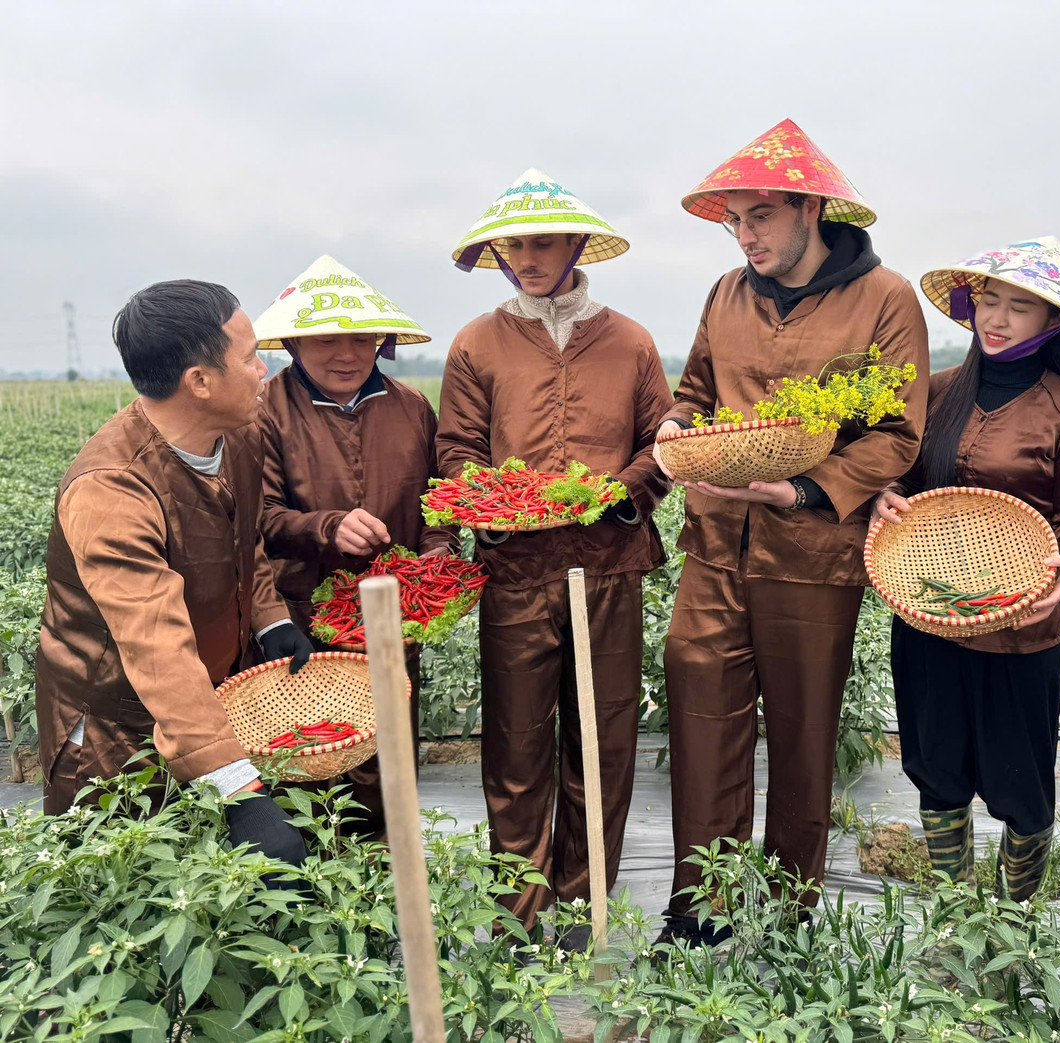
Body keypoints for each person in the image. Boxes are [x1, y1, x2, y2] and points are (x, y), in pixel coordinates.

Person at [655, 119, 930, 944]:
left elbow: (896, 433)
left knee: (804, 729)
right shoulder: (725, 292)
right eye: (735, 219)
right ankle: (702, 901)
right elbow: (695, 389)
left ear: (811, 208)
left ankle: (784, 905)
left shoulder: (885, 299)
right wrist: (675, 424)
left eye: (761, 216)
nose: (745, 236)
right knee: (699, 699)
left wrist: (809, 485)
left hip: (812, 552)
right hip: (715, 538)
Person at [437, 169, 673, 944]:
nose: (529, 257)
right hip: (517, 572)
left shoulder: (631, 340)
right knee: (516, 740)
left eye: (544, 242)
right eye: (515, 245)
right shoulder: (477, 343)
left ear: (577, 245)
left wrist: (620, 492)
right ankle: (518, 907)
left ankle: (585, 902)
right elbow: (458, 451)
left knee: (602, 737)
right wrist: (497, 505)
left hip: (609, 566)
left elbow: (662, 445)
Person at [35, 279, 312, 878]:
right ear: (201, 382)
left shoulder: (239, 434)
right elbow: (155, 646)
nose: (264, 368)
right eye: (248, 356)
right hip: (116, 725)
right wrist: (239, 788)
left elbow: (245, 543)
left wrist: (271, 618)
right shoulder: (111, 490)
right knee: (127, 893)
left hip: (203, 701)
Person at [875, 237, 1060, 902]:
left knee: (1023, 792)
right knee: (937, 774)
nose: (997, 318)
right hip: (931, 618)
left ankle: (1013, 923)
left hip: (1022, 631)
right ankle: (953, 919)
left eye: (1020, 307)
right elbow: (896, 476)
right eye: (989, 300)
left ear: (1055, 324)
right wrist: (882, 496)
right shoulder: (938, 392)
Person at [253, 255, 453, 838]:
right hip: (303, 619)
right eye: (325, 340)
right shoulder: (264, 411)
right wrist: (326, 526)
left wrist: (436, 556)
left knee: (389, 759)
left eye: (361, 337)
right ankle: (319, 905)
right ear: (292, 343)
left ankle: (393, 893)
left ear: (381, 342)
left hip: (393, 616)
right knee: (312, 765)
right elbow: (256, 519)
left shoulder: (411, 406)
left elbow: (436, 503)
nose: (346, 354)